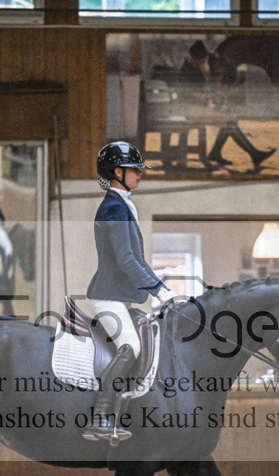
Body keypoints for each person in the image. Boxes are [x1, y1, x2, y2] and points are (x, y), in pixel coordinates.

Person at [83, 141, 176, 443]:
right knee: (131, 346)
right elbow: (125, 260)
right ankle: (100, 417)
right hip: (107, 295)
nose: (140, 174)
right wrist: (159, 291)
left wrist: (163, 289)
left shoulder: (123, 204)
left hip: (120, 296)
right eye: (134, 170)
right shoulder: (113, 208)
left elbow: (138, 260)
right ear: (117, 172)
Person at [178, 40, 276, 171]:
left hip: (199, 108)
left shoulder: (195, 68)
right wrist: (207, 99)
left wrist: (211, 99)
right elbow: (188, 95)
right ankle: (253, 154)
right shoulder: (186, 71)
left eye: (203, 60)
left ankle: (217, 152)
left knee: (231, 118)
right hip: (190, 110)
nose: (202, 63)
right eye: (201, 60)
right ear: (194, 58)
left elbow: (201, 94)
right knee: (229, 121)